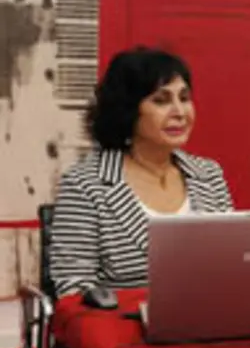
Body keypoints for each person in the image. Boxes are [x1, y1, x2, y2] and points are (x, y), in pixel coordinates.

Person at [50, 47, 234, 297]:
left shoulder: (208, 175)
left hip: (210, 316)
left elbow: (230, 264)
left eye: (184, 98)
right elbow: (73, 287)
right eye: (161, 101)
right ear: (128, 110)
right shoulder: (85, 185)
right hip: (126, 320)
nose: (179, 112)